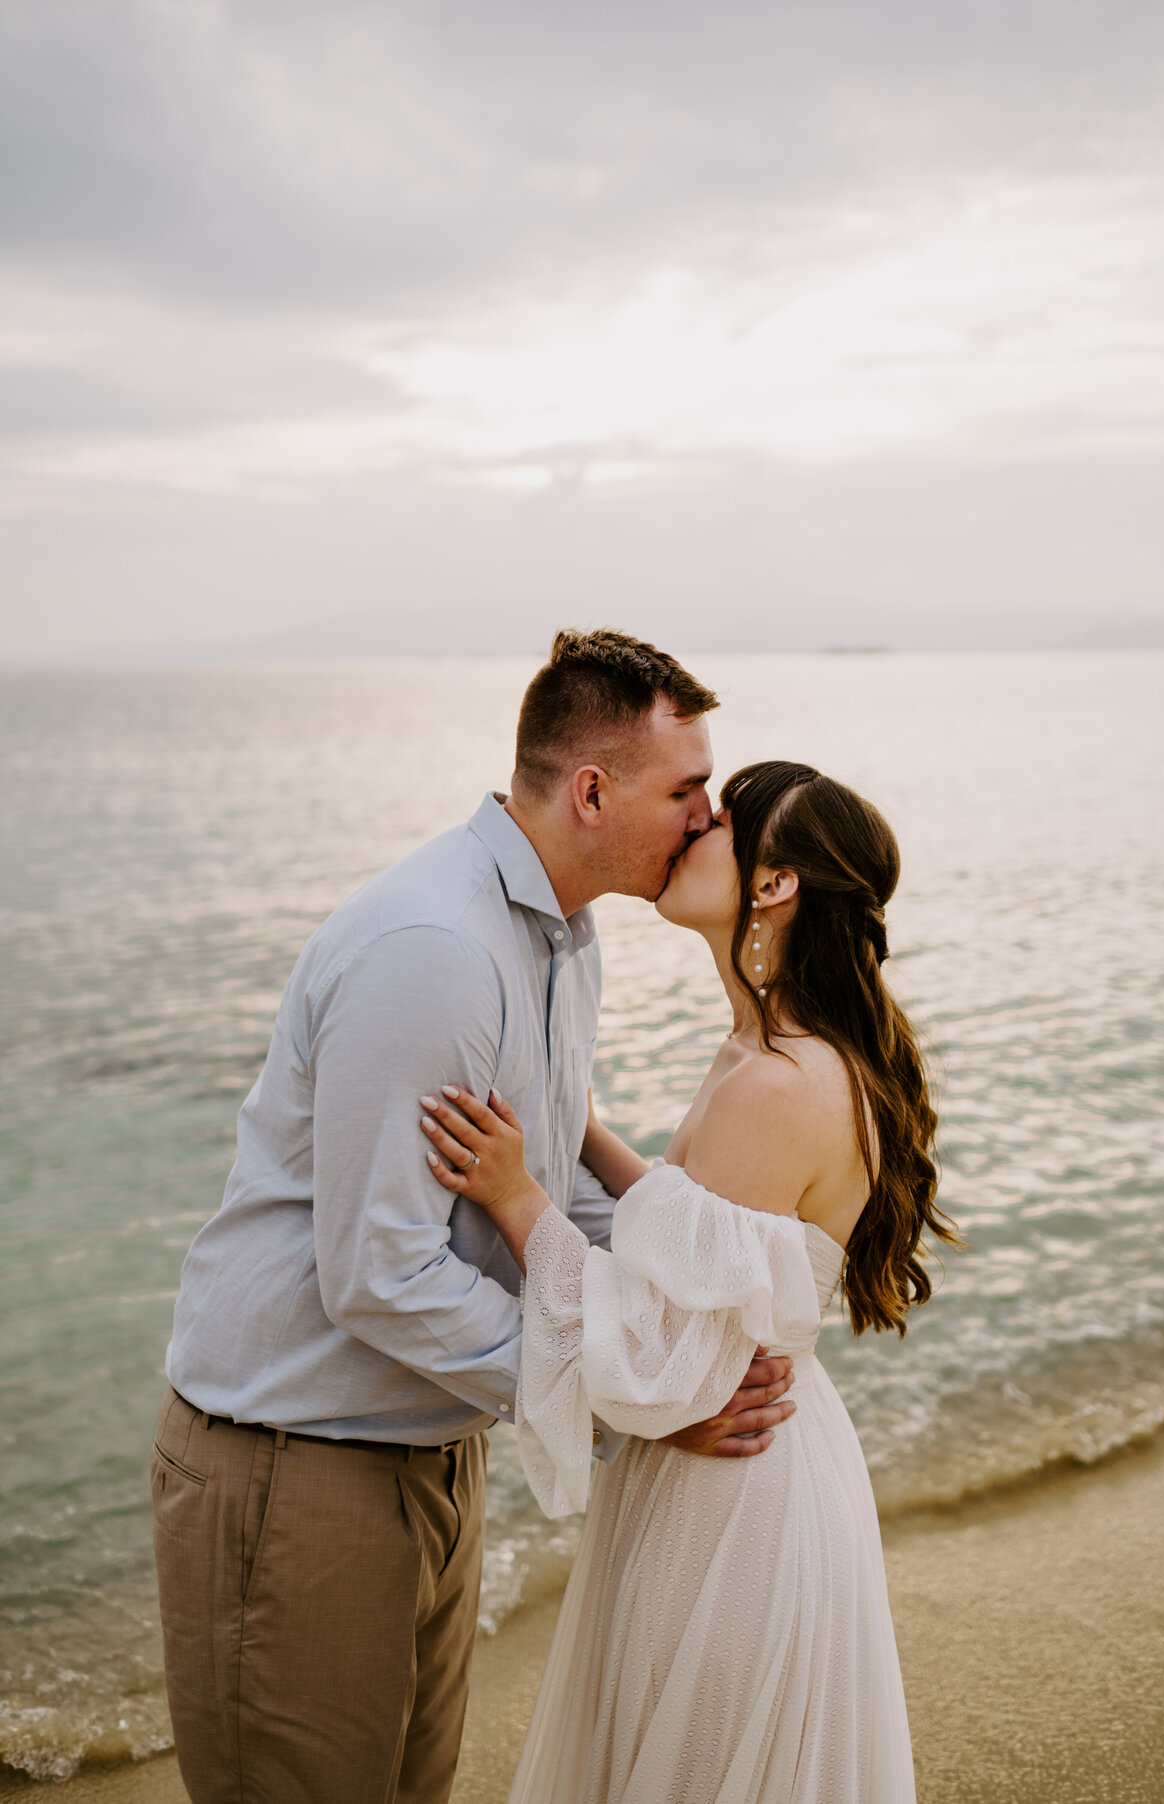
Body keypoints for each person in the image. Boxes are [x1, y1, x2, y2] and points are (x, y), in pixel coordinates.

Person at [150, 631, 798, 1804]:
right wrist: (630, 1402)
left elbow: (552, 1183)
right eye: (687, 789)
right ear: (592, 790)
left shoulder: (567, 937)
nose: (708, 820)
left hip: (432, 1455)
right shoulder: (437, 949)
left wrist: (685, 1343)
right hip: (297, 1469)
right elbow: (380, 1275)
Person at [422, 759, 960, 1804]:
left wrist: (514, 1193)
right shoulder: (774, 1049)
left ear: (774, 884)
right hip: (753, 1456)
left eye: (718, 820)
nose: (691, 828)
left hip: (733, 1492)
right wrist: (576, 1127)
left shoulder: (775, 1081)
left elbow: (657, 1354)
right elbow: (690, 1222)